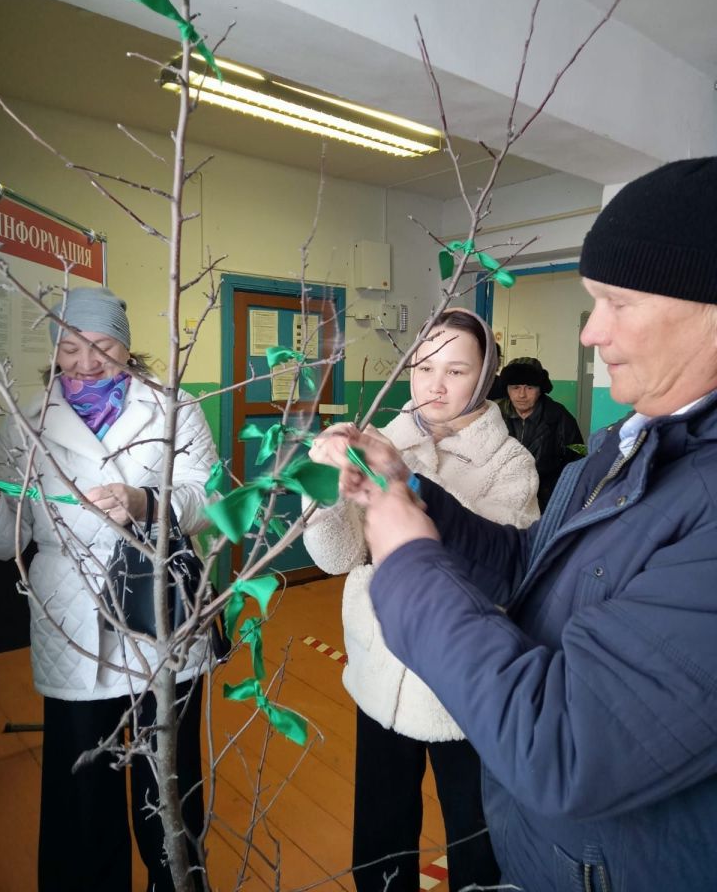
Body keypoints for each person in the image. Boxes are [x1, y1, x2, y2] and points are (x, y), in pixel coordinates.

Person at [315, 157, 717, 892]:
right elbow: (529, 561)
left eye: (617, 303)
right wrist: (410, 495)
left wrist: (406, 553)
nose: (591, 333)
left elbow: (566, 745)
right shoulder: (627, 445)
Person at [305, 308, 539, 891]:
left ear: (484, 377)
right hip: (381, 672)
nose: (435, 384)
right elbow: (335, 558)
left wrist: (403, 482)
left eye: (456, 370)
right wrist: (324, 494)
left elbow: (500, 577)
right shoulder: (384, 438)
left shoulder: (511, 465)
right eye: (424, 366)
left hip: (462, 686)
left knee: (475, 836)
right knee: (381, 836)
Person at [0, 287, 216, 892]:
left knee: (167, 784)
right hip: (72, 614)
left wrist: (148, 502)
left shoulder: (174, 409)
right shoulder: (26, 420)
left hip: (156, 609)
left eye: (102, 345)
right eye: (69, 347)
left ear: (128, 343)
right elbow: (2, 535)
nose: (86, 362)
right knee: (81, 788)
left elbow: (211, 503)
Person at [497, 356, 584, 510]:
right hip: (500, 499)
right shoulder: (494, 415)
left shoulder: (560, 417)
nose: (522, 395)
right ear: (507, 388)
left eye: (529, 388)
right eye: (515, 387)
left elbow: (579, 458)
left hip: (545, 501)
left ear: (540, 389)